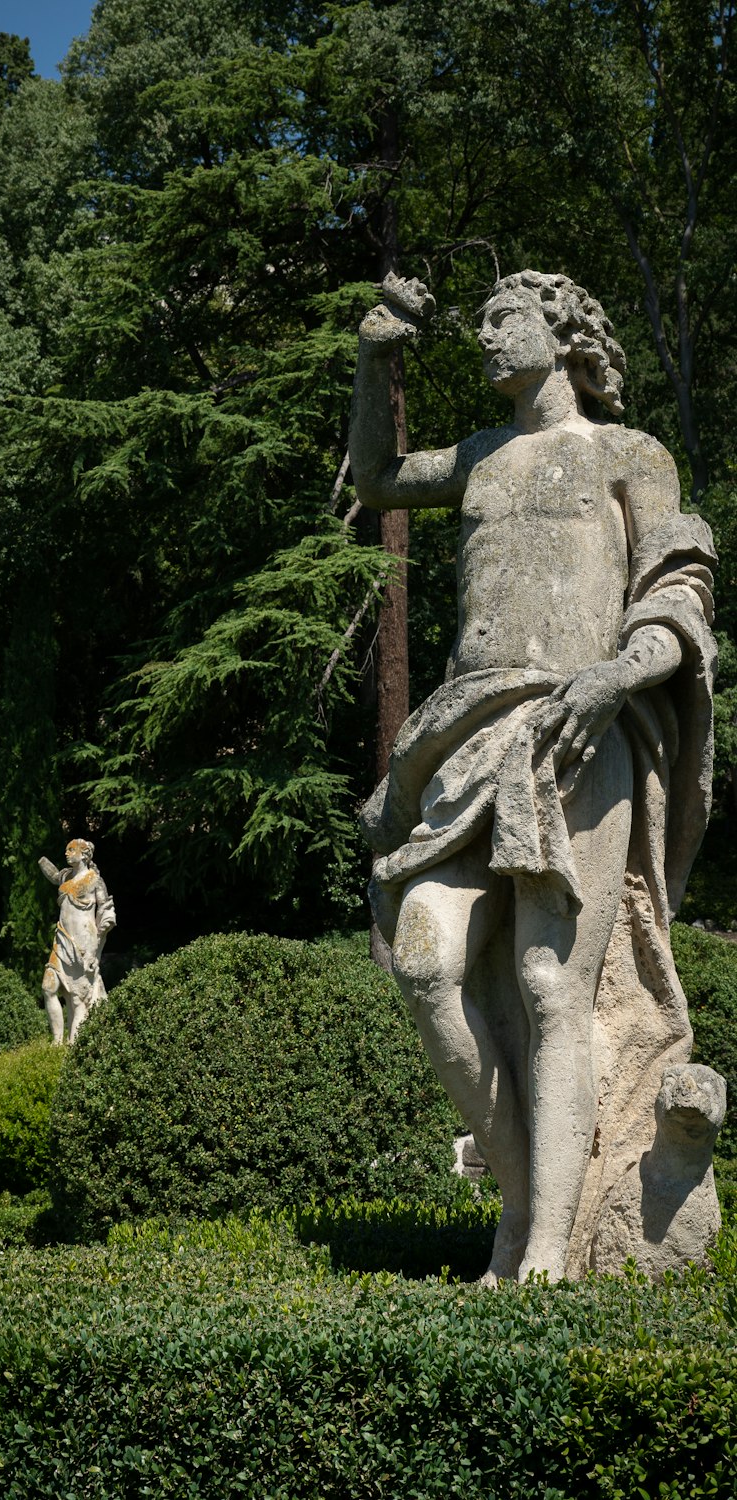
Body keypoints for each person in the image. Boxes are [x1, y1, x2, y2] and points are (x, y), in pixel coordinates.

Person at [351, 269, 716, 1282]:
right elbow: (374, 479)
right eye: (475, 325)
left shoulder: (628, 455)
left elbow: (676, 584)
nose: (483, 338)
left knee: (551, 981)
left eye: (501, 320)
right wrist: (375, 355)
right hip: (469, 732)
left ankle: (544, 1251)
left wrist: (618, 675)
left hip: (576, 728)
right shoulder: (476, 459)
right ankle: (522, 1205)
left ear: (560, 331)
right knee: (425, 956)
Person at [39, 839, 116, 1045]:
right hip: (62, 939)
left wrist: (95, 950)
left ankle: (73, 1051)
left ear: (84, 854)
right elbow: (55, 876)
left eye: (71, 850)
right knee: (48, 987)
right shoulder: (66, 876)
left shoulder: (94, 880)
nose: (67, 853)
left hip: (84, 942)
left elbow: (105, 911)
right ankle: (56, 1044)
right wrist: (41, 860)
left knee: (79, 999)